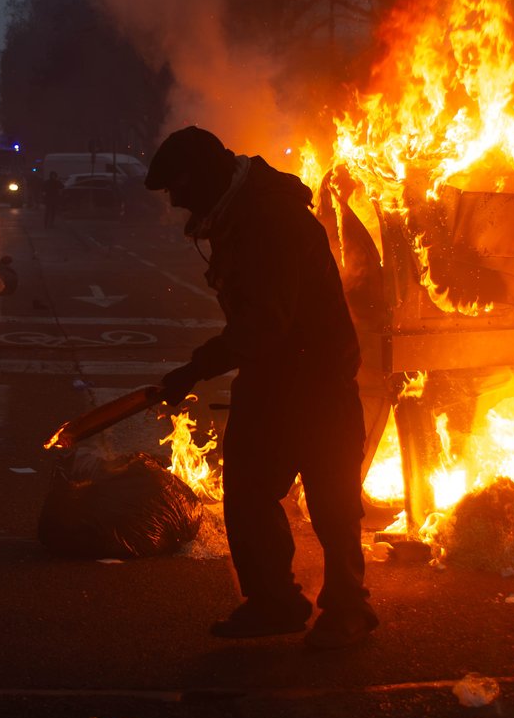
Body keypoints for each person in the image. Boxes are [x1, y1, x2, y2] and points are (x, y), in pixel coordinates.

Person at [145, 126, 375, 647]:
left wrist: (195, 369)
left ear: (206, 177)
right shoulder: (241, 213)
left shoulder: (270, 219)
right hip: (275, 373)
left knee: (332, 498)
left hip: (316, 377)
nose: (179, 205)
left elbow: (264, 323)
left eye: (180, 190)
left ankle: (347, 607)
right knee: (249, 489)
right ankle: (275, 602)